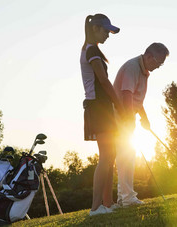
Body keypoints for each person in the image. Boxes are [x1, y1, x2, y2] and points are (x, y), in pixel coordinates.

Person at [113, 42, 169, 207]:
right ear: (150, 57)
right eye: (158, 62)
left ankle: (124, 198)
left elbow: (137, 97)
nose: (159, 66)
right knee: (127, 155)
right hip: (119, 116)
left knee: (126, 156)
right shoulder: (132, 67)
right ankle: (128, 198)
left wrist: (144, 118)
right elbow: (126, 94)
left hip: (126, 115)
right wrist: (130, 119)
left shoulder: (143, 71)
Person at [80, 13, 124, 216]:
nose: (108, 34)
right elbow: (104, 82)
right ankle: (95, 208)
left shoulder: (93, 50)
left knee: (110, 154)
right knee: (106, 156)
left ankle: (107, 202)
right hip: (98, 107)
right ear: (95, 29)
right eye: (106, 30)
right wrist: (119, 105)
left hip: (102, 107)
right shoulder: (91, 51)